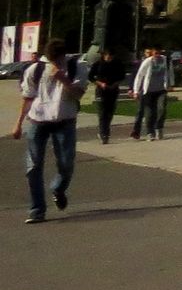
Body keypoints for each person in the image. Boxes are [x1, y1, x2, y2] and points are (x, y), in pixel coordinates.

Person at [13, 37, 88, 224]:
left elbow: (78, 94)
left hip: (65, 121)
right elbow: (27, 97)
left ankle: (58, 188)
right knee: (33, 165)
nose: (53, 63)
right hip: (37, 121)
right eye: (50, 59)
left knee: (66, 164)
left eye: (57, 59)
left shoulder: (75, 66)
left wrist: (63, 78)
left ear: (63, 55)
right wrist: (18, 123)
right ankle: (37, 209)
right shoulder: (35, 69)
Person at [130, 47, 172, 142]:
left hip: (161, 90)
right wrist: (136, 91)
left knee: (161, 108)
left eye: (158, 53)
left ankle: (159, 128)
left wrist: (170, 84)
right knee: (149, 113)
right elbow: (139, 76)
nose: (157, 55)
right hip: (148, 91)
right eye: (155, 53)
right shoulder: (147, 62)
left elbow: (169, 72)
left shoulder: (164, 60)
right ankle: (150, 132)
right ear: (152, 53)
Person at [89, 47, 127, 144]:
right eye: (107, 56)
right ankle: (103, 134)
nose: (109, 58)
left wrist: (115, 84)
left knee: (110, 113)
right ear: (103, 55)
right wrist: (100, 83)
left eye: (111, 57)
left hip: (113, 90)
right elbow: (90, 77)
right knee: (102, 113)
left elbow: (122, 76)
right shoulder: (98, 64)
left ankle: (107, 131)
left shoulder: (117, 64)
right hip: (101, 90)